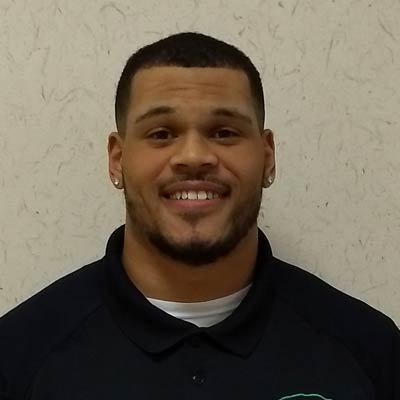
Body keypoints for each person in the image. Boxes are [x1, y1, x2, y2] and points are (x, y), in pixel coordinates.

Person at [0, 32, 399, 400]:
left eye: (224, 132)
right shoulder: (18, 356)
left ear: (267, 157)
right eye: (161, 134)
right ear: (117, 160)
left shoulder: (371, 351)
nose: (193, 156)